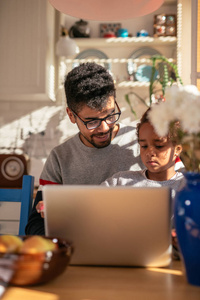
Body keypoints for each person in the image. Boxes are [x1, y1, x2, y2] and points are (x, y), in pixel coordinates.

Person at [25, 62, 145, 235]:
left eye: (110, 115)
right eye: (92, 121)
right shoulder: (60, 158)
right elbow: (35, 225)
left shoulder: (143, 143)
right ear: (71, 115)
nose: (104, 128)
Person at [102, 107, 186, 214]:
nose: (149, 152)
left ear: (177, 149)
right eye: (144, 146)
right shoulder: (120, 182)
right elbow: (91, 207)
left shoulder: (187, 187)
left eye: (159, 146)